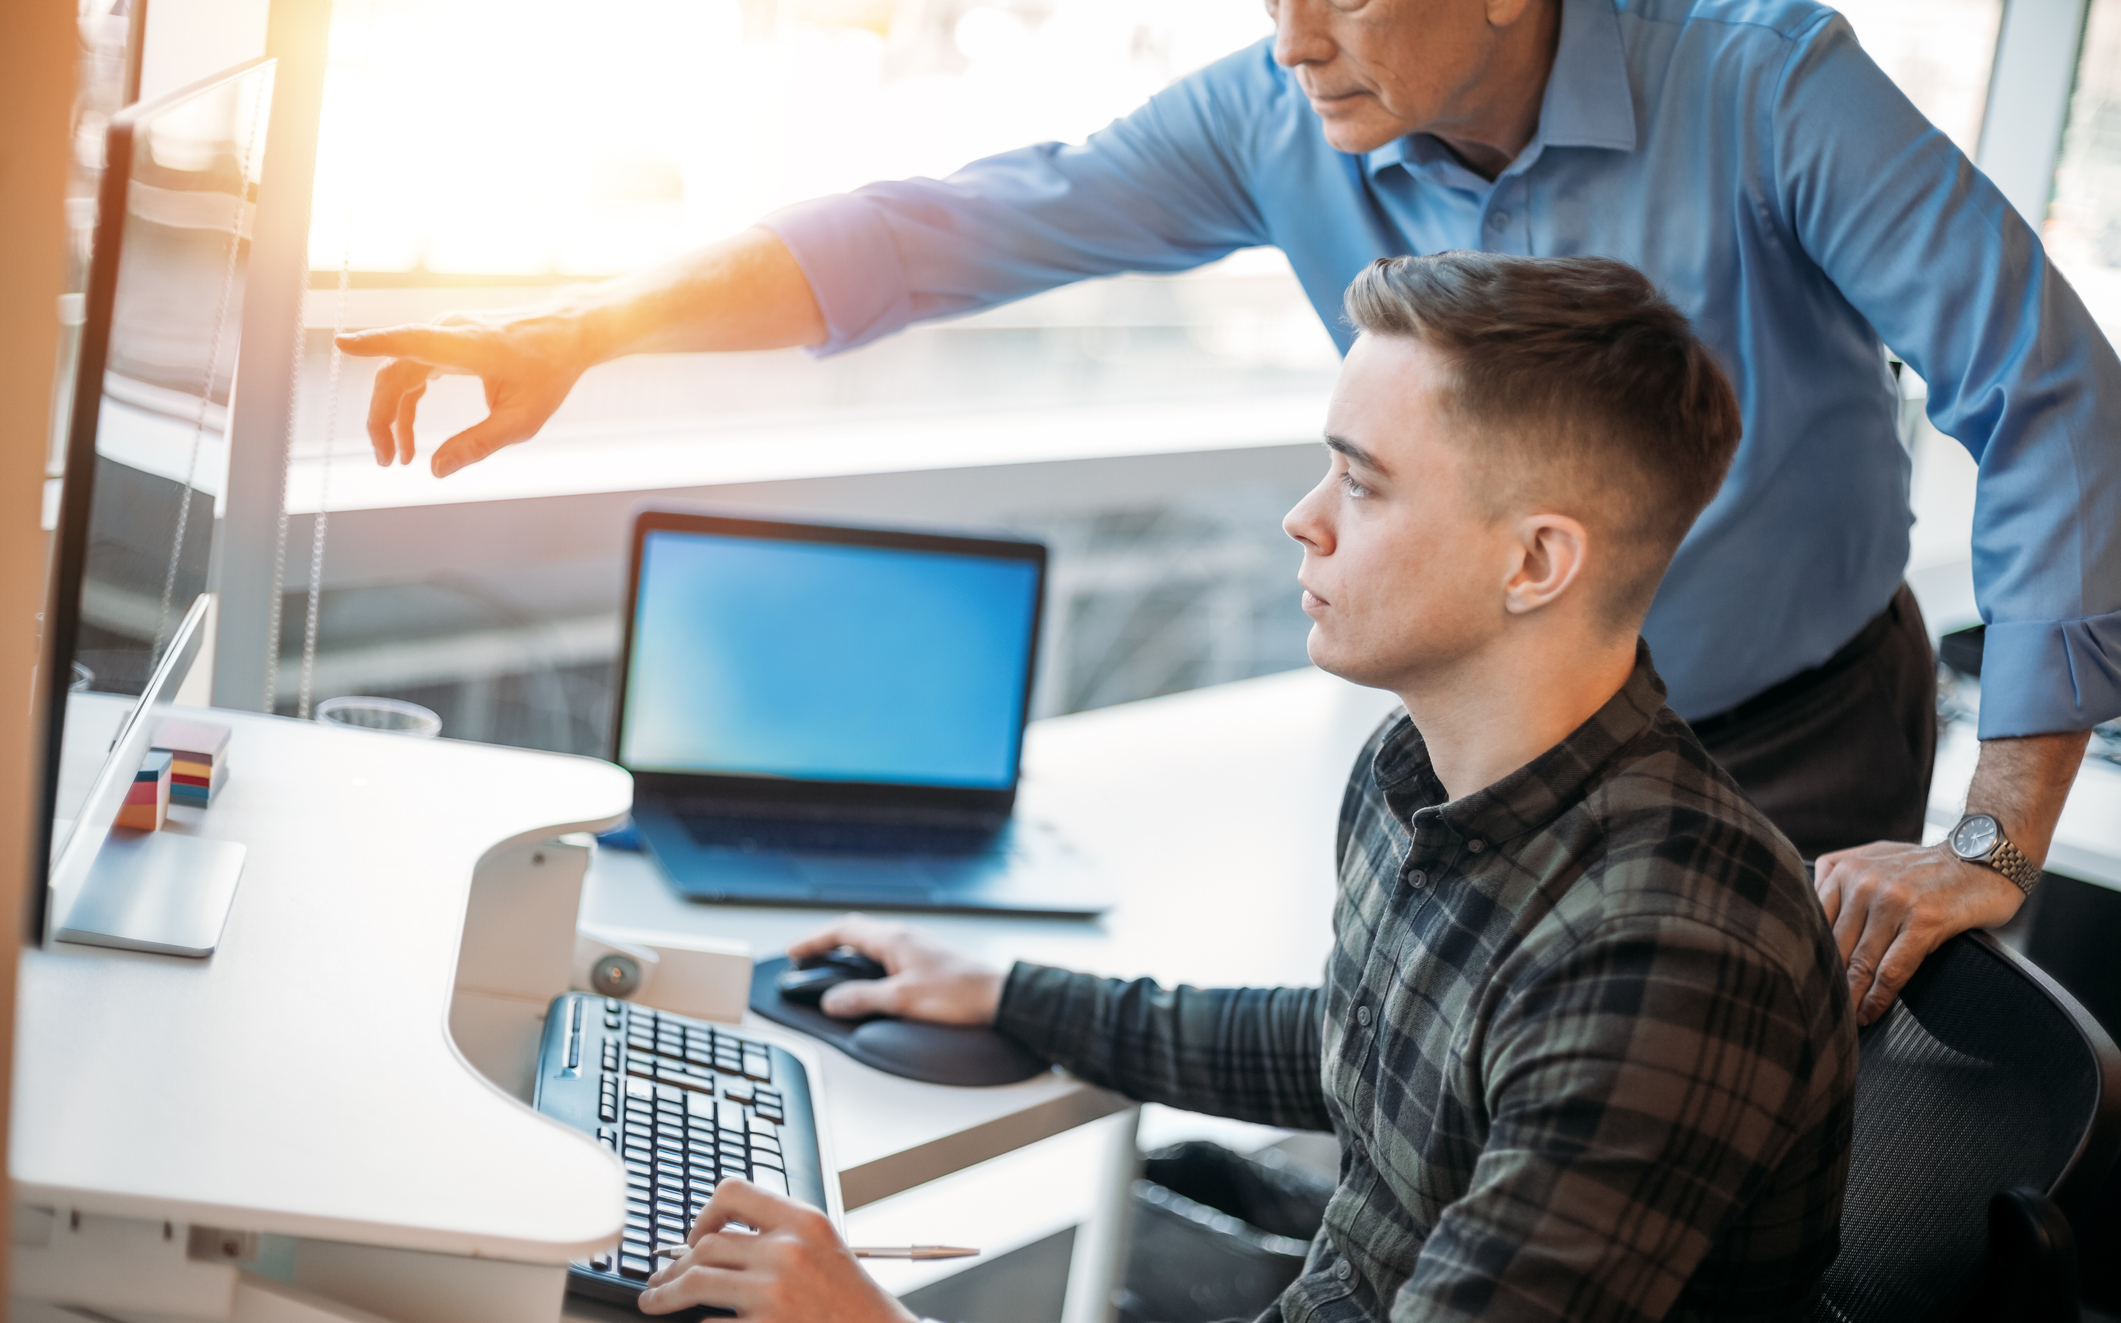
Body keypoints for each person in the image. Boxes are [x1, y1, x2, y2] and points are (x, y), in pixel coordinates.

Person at [339, 0, 2121, 1028]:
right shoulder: (1283, 109)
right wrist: (588, 328)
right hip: (1494, 747)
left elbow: (2049, 393)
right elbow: (936, 232)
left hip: (1785, 735)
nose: (1293, 34)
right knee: (1430, 1131)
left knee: (1696, 1208)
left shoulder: (1759, 76)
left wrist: (1990, 837)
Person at [633, 251, 1857, 1323]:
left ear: (1536, 561)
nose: (1302, 519)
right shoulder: (1416, 773)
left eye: (1361, 483)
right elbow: (1359, 1045)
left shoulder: (1666, 952)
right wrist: (1010, 993)